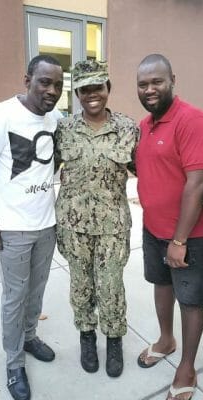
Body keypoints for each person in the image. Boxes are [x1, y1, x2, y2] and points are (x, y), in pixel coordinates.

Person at [0, 55, 63, 400]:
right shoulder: (0, 115)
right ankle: (14, 362)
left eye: (57, 85)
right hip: (13, 229)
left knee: (36, 291)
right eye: (44, 82)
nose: (51, 90)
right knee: (14, 297)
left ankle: (30, 336)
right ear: (27, 80)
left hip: (46, 225)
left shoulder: (56, 118)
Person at [135, 54, 203, 400]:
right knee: (161, 283)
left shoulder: (193, 120)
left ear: (172, 80)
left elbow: (197, 183)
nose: (150, 89)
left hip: (187, 236)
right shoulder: (144, 125)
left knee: (190, 299)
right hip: (153, 229)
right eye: (143, 84)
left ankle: (186, 366)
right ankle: (166, 339)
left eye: (157, 82)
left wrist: (179, 239)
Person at [54, 60, 139, 378]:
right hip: (73, 225)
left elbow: (148, 171)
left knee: (111, 286)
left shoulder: (128, 128)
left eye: (98, 87)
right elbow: (42, 167)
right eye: (85, 89)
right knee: (80, 285)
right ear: (77, 93)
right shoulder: (63, 128)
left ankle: (114, 339)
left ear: (108, 89)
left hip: (113, 226)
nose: (92, 94)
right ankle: (87, 336)